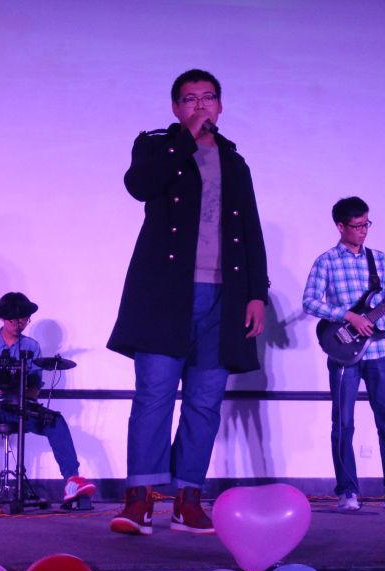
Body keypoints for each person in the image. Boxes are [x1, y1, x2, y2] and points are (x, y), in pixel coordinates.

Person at [107, 69, 268, 535]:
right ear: (176, 108)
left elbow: (250, 229)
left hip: (224, 298)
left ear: (221, 105)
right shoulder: (156, 146)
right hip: (165, 296)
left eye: (208, 97)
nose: (200, 105)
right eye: (190, 99)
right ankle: (139, 500)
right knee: (153, 396)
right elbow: (140, 185)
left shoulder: (235, 161)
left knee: (204, 402)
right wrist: (184, 139)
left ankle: (188, 499)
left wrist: (257, 293)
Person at [302, 197, 385, 512]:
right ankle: (347, 492)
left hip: (380, 352)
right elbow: (309, 301)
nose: (364, 230)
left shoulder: (380, 260)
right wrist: (348, 316)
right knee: (343, 424)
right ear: (341, 226)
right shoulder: (326, 262)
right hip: (343, 352)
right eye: (357, 226)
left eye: (367, 224)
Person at [0, 292, 94, 511]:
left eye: (24, 320)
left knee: (55, 421)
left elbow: (35, 386)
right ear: (2, 318)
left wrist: (21, 393)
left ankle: (72, 482)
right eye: (13, 320)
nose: (19, 324)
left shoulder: (32, 346)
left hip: (19, 406)